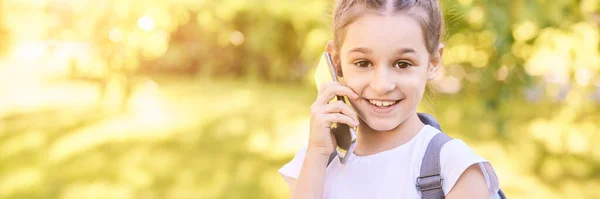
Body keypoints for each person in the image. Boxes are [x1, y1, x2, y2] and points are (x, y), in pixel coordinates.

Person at [278, 0, 501, 198]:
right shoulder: (315, 162)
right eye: (363, 63)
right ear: (336, 61)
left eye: (402, 64)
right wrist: (316, 153)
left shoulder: (453, 168)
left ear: (433, 62)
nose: (382, 85)